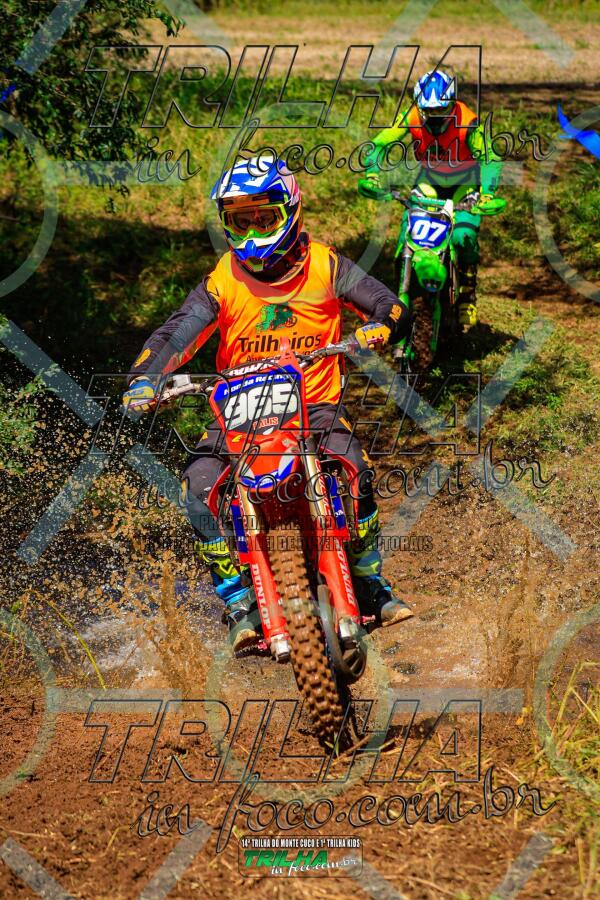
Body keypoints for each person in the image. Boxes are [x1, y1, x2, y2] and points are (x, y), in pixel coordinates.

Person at [123, 155, 413, 652]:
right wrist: (144, 380)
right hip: (240, 412)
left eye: (264, 217)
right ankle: (238, 600)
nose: (254, 230)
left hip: (314, 405)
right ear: (226, 224)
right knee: (196, 486)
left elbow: (391, 304)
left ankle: (370, 581)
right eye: (241, 221)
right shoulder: (224, 278)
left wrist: (380, 326)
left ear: (290, 211)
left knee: (356, 468)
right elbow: (177, 333)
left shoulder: (326, 265)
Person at [358, 69, 504, 327]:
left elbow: (490, 157)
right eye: (430, 110)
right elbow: (379, 144)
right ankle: (402, 286)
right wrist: (372, 174)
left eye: (441, 109)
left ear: (452, 104)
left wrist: (487, 194)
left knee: (463, 235)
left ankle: (467, 293)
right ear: (420, 107)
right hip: (430, 182)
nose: (435, 116)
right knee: (408, 232)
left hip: (464, 185)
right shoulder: (411, 116)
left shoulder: (469, 123)